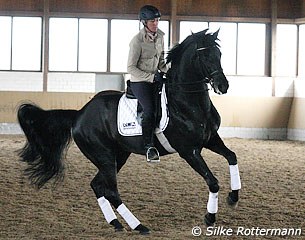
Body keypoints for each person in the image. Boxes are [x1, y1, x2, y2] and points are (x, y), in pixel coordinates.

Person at [127, 5, 168, 163]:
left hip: (155, 78)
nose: (156, 23)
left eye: (157, 20)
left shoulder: (161, 37)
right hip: (140, 82)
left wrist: (170, 73)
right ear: (144, 22)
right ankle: (149, 146)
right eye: (152, 21)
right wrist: (150, 78)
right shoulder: (136, 41)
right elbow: (130, 67)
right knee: (149, 110)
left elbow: (161, 62)